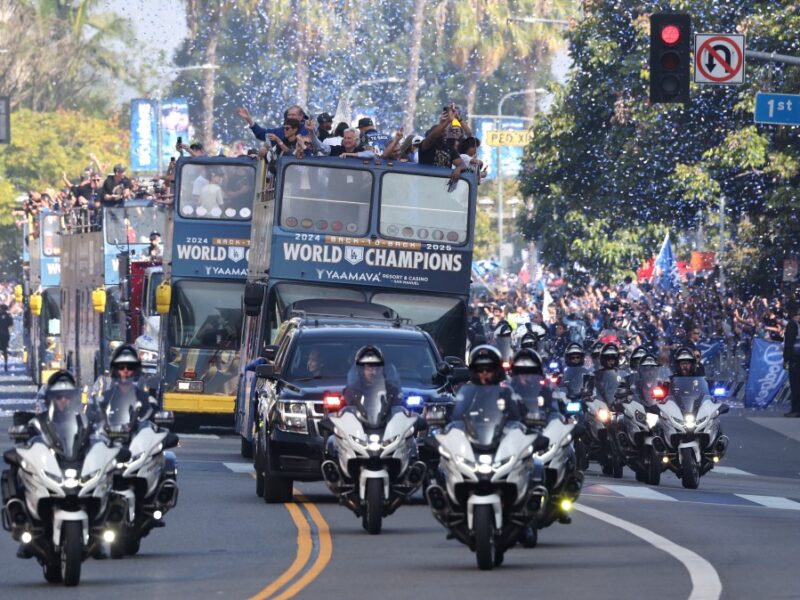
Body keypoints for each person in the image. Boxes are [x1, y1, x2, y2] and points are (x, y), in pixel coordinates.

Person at [451, 345, 520, 422]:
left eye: (489, 368)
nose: (484, 372)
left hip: (502, 432)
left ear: (496, 370)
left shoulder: (506, 392)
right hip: (470, 432)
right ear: (474, 371)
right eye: (480, 368)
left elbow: (515, 420)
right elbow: (457, 418)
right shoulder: (467, 393)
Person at [509, 348, 559, 422]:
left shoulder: (544, 389)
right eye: (521, 371)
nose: (526, 375)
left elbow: (554, 411)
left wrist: (556, 421)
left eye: (530, 370)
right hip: (517, 429)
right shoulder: (510, 390)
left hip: (541, 428)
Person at [783, 301, 800, 417]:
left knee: (795, 385)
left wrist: (786, 360)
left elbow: (789, 343)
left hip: (795, 358)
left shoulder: (792, 324)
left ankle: (795, 410)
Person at [0, 303, 13, 372]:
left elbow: (11, 324)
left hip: (3, 334)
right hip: (5, 334)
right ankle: (5, 364)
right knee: (5, 350)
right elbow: (11, 324)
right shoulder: (8, 316)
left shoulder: (7, 316)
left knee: (4, 350)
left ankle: (5, 364)